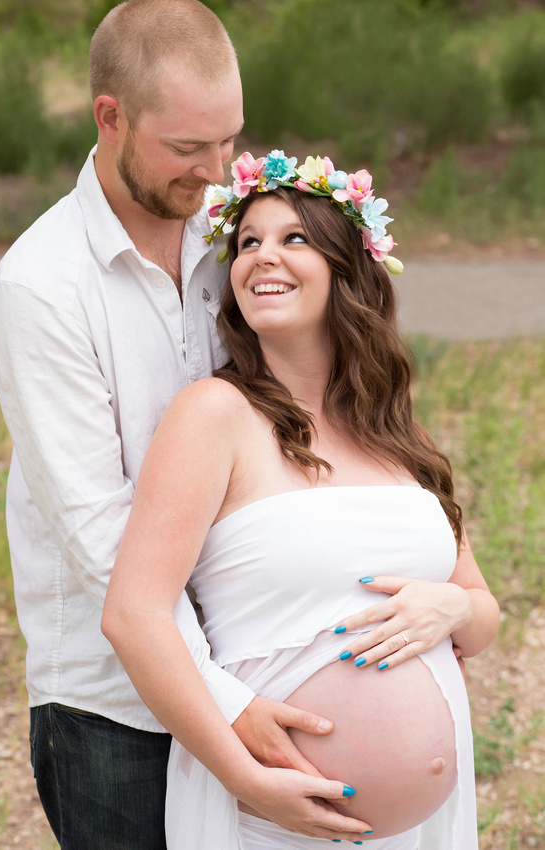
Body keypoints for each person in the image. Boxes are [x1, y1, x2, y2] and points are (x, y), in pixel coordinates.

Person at [0, 3, 372, 847]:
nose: (213, 172)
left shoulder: (233, 235)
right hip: (116, 709)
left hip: (257, 659)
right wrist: (226, 713)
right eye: (186, 149)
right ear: (109, 117)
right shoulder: (40, 289)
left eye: (226, 142)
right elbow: (101, 538)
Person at [102, 150, 500, 849]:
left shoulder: (396, 429)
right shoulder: (213, 415)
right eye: (247, 242)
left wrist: (455, 606)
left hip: (423, 827)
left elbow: (481, 614)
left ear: (347, 270)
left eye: (293, 239)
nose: (261, 257)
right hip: (270, 816)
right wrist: (241, 775)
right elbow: (134, 615)